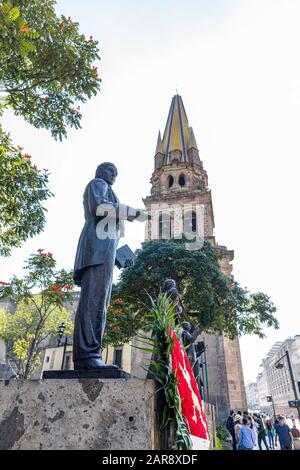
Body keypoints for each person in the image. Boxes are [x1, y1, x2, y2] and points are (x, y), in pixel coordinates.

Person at [72, 162, 147, 369]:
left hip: (103, 254)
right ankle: (87, 356)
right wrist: (134, 213)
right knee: (93, 302)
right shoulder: (98, 184)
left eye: (116, 171)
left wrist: (119, 257)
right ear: (100, 171)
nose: (114, 174)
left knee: (99, 303)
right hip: (96, 253)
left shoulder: (107, 189)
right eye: (111, 170)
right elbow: (100, 207)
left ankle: (90, 353)